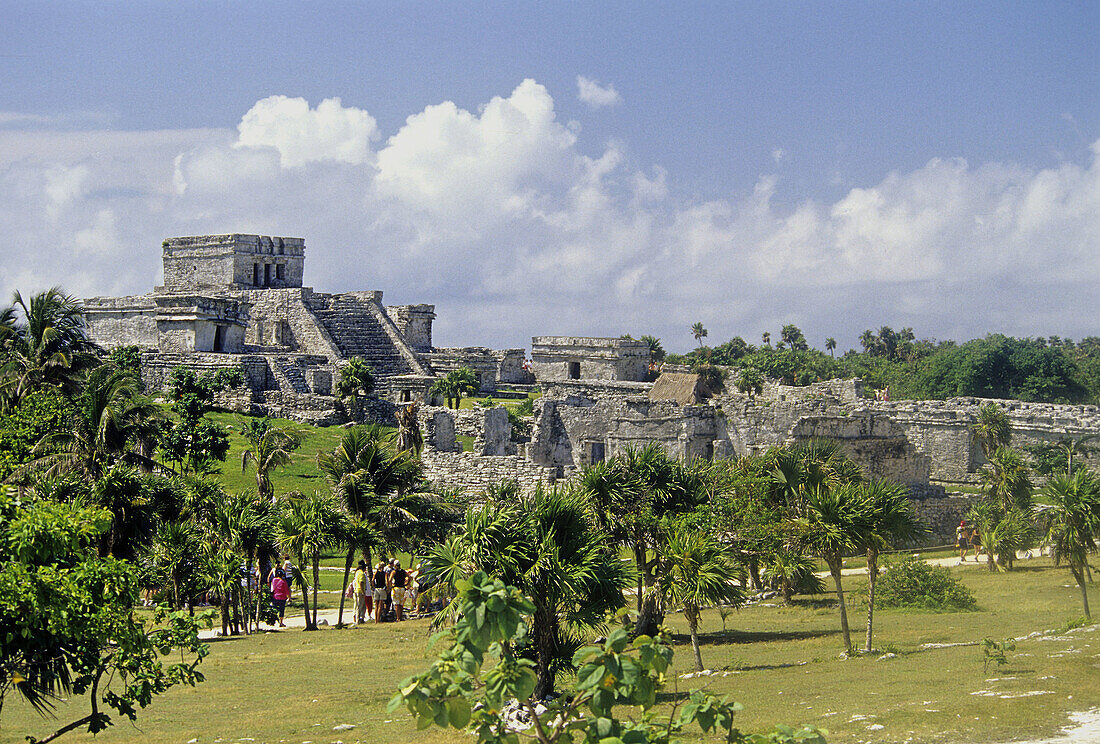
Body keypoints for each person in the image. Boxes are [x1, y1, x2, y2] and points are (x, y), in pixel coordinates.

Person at [352, 560, 368, 625]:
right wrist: (363, 592)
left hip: (356, 590)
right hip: (360, 591)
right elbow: (361, 583)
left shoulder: (357, 572)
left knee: (356, 605)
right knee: (360, 606)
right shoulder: (361, 574)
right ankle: (358, 620)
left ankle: (356, 618)